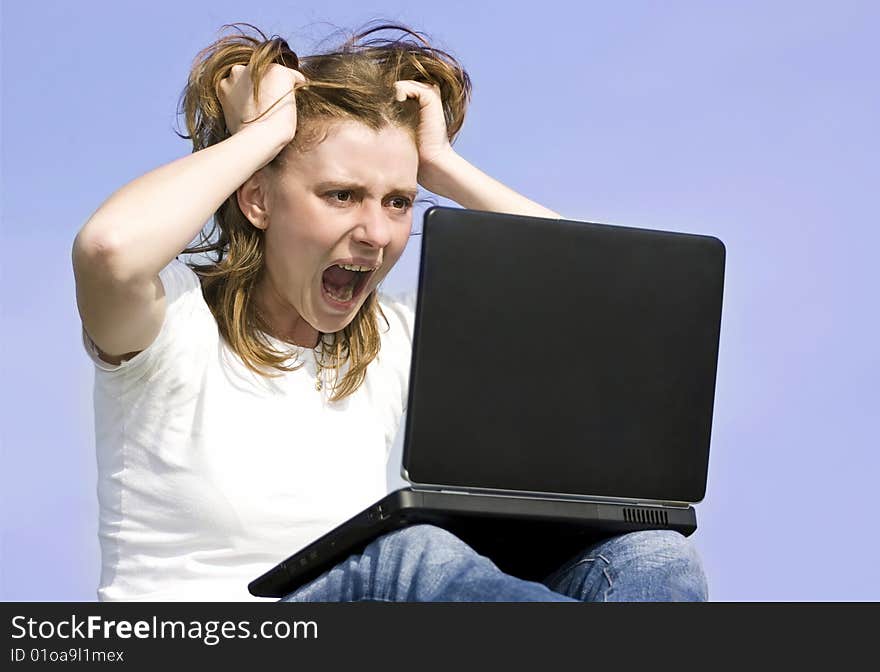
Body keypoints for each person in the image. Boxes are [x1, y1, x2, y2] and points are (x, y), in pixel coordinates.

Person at [72, 22, 708, 602]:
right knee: (407, 557)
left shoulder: (405, 337)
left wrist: (443, 166)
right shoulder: (173, 323)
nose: (375, 233)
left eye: (399, 202)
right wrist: (262, 134)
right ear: (258, 198)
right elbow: (110, 249)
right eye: (342, 195)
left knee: (651, 559)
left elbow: (600, 299)